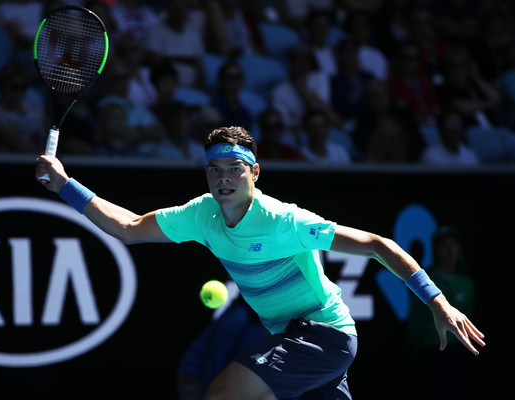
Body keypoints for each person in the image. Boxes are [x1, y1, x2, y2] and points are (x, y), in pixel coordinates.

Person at [35, 125, 485, 399]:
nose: (224, 177)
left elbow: (374, 243)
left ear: (254, 173)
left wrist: (436, 300)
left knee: (223, 393)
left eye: (235, 167)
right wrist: (66, 187)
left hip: (324, 334)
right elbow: (129, 227)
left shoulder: (283, 221)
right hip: (291, 335)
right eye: (215, 169)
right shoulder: (200, 214)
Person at [407, 226, 477, 400]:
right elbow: (416, 321)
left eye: (453, 244)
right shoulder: (425, 283)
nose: (450, 250)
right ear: (436, 250)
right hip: (434, 353)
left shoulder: (467, 284)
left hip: (462, 354)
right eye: (444, 245)